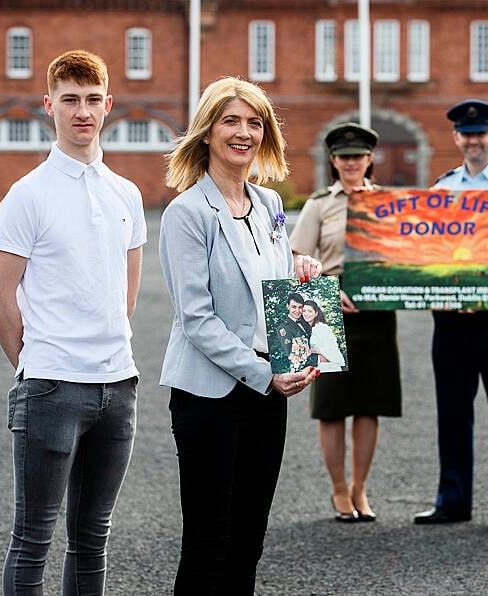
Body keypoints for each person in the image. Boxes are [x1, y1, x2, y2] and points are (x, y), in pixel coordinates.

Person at [0, 49, 145, 594]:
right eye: (71, 100)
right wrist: (38, 366)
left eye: (93, 100)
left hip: (118, 387)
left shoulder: (127, 193)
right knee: (33, 540)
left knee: (93, 538)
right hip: (52, 387)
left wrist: (104, 357)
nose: (83, 111)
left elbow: (125, 293)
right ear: (49, 105)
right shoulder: (26, 195)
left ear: (108, 106)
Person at [158, 76, 322, 594]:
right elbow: (196, 318)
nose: (243, 132)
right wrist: (265, 373)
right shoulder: (186, 213)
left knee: (250, 536)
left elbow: (268, 282)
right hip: (209, 395)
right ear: (207, 131)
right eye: (231, 120)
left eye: (254, 122)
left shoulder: (271, 203)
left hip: (268, 391)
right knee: (209, 538)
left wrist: (299, 266)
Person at [413, 99, 488, 530]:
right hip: (449, 318)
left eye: (482, 132)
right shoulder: (442, 189)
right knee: (452, 410)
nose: (474, 139)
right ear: (456, 138)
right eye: (467, 133)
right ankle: (453, 498)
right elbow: (426, 252)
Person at [290, 122, 402, 523]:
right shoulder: (320, 204)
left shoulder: (389, 204)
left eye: (358, 157)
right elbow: (299, 255)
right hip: (329, 310)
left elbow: (404, 254)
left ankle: (360, 488)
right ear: (333, 161)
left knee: (370, 405)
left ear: (370, 160)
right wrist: (327, 287)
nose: (351, 163)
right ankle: (339, 489)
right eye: (343, 157)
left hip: (377, 311)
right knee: (333, 406)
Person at [277, 292, 318, 372]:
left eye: (300, 307)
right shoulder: (283, 328)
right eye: (294, 307)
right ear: (287, 306)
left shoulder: (306, 321)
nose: (297, 311)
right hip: (303, 369)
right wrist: (318, 359)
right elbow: (291, 354)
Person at [303, 299, 346, 372]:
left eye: (309, 311)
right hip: (320, 367)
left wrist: (312, 351)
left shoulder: (321, 327)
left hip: (329, 368)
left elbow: (332, 349)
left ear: (316, 313)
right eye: (304, 311)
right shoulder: (312, 328)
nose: (306, 314)